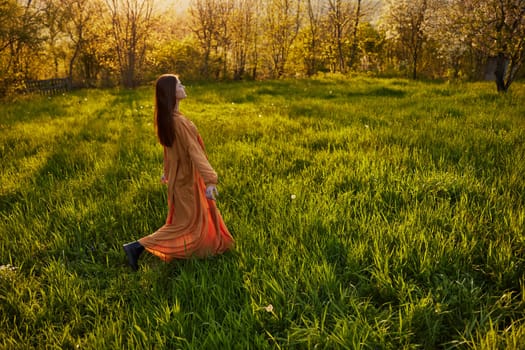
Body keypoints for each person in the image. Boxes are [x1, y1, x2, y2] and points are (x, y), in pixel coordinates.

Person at [123, 74, 234, 271]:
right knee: (182, 225)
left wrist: (167, 172)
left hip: (179, 179)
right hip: (186, 181)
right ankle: (136, 247)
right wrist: (210, 180)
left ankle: (195, 248)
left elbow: (169, 151)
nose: (183, 86)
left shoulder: (170, 120)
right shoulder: (178, 122)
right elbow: (195, 152)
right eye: (179, 84)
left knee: (187, 221)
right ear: (171, 93)